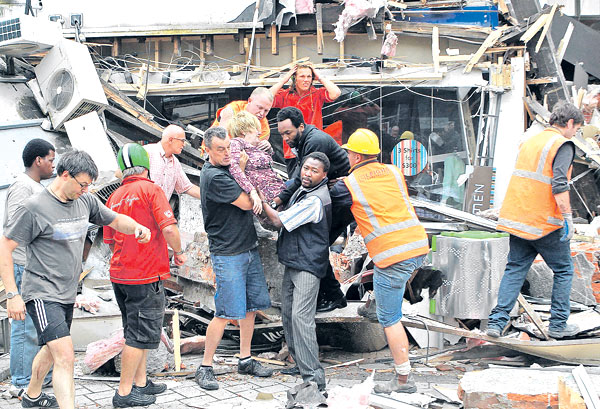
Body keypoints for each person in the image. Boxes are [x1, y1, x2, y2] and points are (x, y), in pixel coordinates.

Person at [0, 150, 151, 409]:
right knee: (65, 354)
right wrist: (13, 295)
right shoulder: (34, 207)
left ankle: (31, 396)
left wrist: (137, 227)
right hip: (41, 292)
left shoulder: (86, 201)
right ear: (65, 175)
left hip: (68, 292)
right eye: (82, 184)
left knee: (51, 348)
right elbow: (5, 246)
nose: (85, 189)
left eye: (88, 185)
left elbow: (114, 219)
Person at [331, 128, 429, 393]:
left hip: (392, 253)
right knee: (384, 280)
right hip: (418, 244)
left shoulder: (349, 185)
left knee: (391, 319)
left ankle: (404, 380)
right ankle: (377, 304)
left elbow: (334, 202)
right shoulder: (394, 171)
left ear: (355, 155)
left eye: (349, 152)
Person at [487, 102, 584, 339]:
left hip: (518, 218)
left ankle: (496, 323)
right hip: (544, 222)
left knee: (515, 269)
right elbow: (559, 183)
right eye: (577, 128)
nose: (575, 134)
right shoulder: (562, 144)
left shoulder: (531, 141)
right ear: (569, 123)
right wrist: (568, 218)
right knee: (563, 270)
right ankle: (558, 325)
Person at [104, 144, 187, 408]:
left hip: (120, 274)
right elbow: (170, 228)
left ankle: (141, 383)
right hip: (145, 274)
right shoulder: (151, 190)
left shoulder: (114, 197)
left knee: (133, 331)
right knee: (139, 337)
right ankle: (125, 393)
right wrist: (179, 252)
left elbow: (108, 240)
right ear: (146, 165)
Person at [195, 127, 273, 391]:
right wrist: (243, 172)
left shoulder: (229, 168)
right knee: (226, 312)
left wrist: (241, 168)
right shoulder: (214, 176)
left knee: (251, 307)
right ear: (207, 150)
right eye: (220, 149)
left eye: (229, 147)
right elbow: (246, 203)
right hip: (227, 253)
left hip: (247, 247)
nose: (227, 153)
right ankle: (205, 367)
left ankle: (245, 358)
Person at [261, 152, 332, 392]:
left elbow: (280, 221)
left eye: (314, 171)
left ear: (324, 175)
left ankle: (314, 377)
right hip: (294, 261)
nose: (307, 173)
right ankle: (298, 363)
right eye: (305, 168)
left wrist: (259, 201)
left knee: (302, 319)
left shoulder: (316, 199)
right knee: (289, 314)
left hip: (307, 265)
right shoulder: (304, 191)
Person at [272, 107, 351, 313]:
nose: (285, 138)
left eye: (288, 132)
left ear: (301, 126)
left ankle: (334, 296)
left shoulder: (315, 141)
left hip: (339, 201)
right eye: (281, 134)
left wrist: (279, 199)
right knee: (316, 247)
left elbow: (301, 178)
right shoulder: (303, 140)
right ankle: (331, 295)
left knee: (316, 248)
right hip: (330, 195)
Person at [4, 139, 55, 391]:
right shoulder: (22, 188)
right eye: (50, 160)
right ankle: (22, 380)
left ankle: (37, 377)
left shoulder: (35, 187)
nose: (52, 165)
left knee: (37, 325)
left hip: (36, 267)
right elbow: (12, 233)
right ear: (38, 161)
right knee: (25, 325)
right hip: (24, 265)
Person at [270, 63, 341, 172]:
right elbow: (267, 97)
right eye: (302, 76)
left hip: (314, 147)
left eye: (309, 76)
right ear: (295, 79)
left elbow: (336, 93)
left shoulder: (317, 94)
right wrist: (284, 80)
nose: (306, 80)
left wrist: (319, 76)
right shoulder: (285, 95)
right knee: (295, 183)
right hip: (292, 151)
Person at [226, 111, 285, 213]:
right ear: (244, 131)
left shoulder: (253, 147)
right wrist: (252, 191)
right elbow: (233, 168)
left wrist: (269, 150)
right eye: (255, 129)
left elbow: (265, 166)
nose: (259, 132)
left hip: (278, 192)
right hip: (268, 199)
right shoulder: (236, 143)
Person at [144, 124, 201, 202]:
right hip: (140, 209)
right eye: (182, 140)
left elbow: (187, 187)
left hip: (160, 211)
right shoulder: (147, 152)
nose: (184, 144)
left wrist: (211, 197)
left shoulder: (175, 163)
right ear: (170, 140)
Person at [212, 87, 273, 152]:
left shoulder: (265, 128)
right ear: (249, 101)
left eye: (266, 111)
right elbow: (220, 140)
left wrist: (267, 147)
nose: (262, 113)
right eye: (260, 108)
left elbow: (257, 152)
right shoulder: (231, 110)